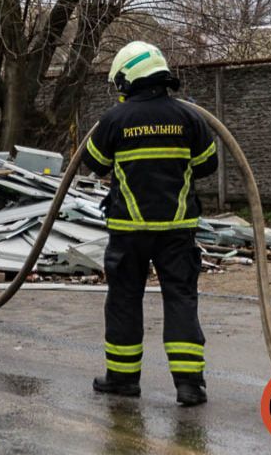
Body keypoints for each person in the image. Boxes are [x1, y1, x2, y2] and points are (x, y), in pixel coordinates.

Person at [82, 41, 218, 406]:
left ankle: (123, 380)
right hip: (177, 231)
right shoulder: (189, 118)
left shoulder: (114, 119)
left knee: (124, 301)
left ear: (128, 79)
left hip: (128, 232)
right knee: (181, 300)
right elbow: (208, 166)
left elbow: (93, 163)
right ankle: (189, 385)